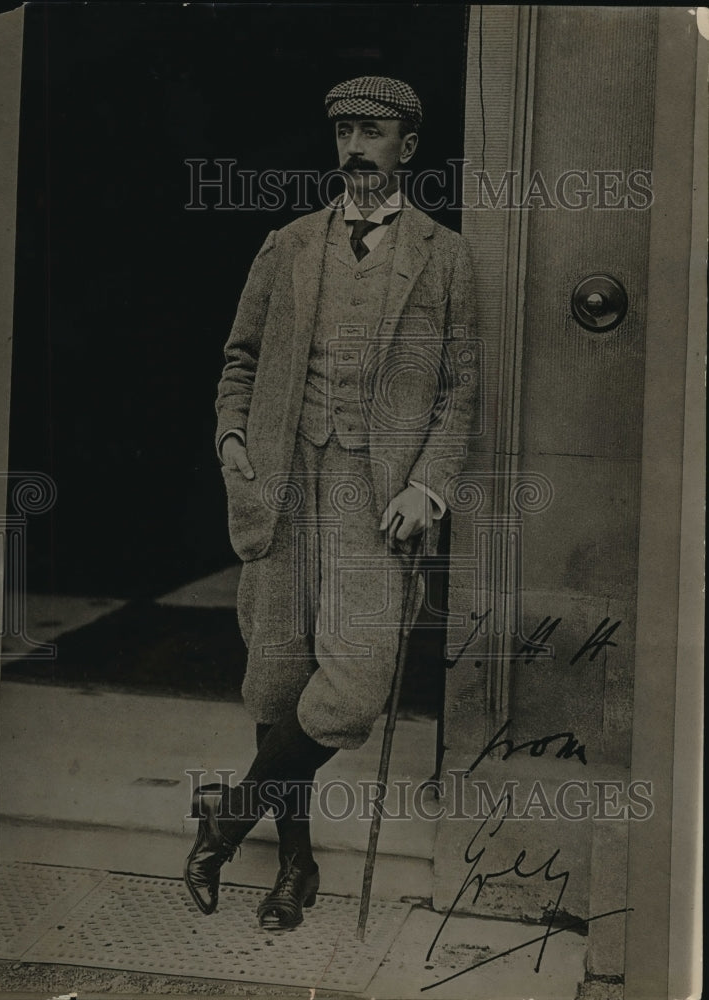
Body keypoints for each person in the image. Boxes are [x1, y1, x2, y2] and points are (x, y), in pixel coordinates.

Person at [184, 75, 477, 930]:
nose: (355, 145)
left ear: (408, 145)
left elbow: (459, 392)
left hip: (375, 494)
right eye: (344, 129)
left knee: (352, 680)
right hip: (280, 483)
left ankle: (229, 816)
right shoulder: (288, 244)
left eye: (373, 131)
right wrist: (231, 440)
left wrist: (429, 488)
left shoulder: (444, 256)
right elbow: (238, 361)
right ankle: (296, 868)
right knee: (276, 680)